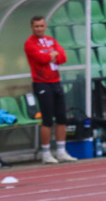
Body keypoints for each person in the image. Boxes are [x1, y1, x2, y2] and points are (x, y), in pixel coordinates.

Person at [24, 15, 77, 164]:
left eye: (41, 26)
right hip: (41, 83)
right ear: (32, 27)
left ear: (45, 26)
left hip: (56, 81)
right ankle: (46, 152)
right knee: (47, 119)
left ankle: (61, 151)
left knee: (62, 117)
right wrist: (51, 55)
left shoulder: (51, 40)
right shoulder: (30, 43)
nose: (39, 29)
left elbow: (63, 57)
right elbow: (41, 59)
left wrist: (51, 55)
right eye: (36, 26)